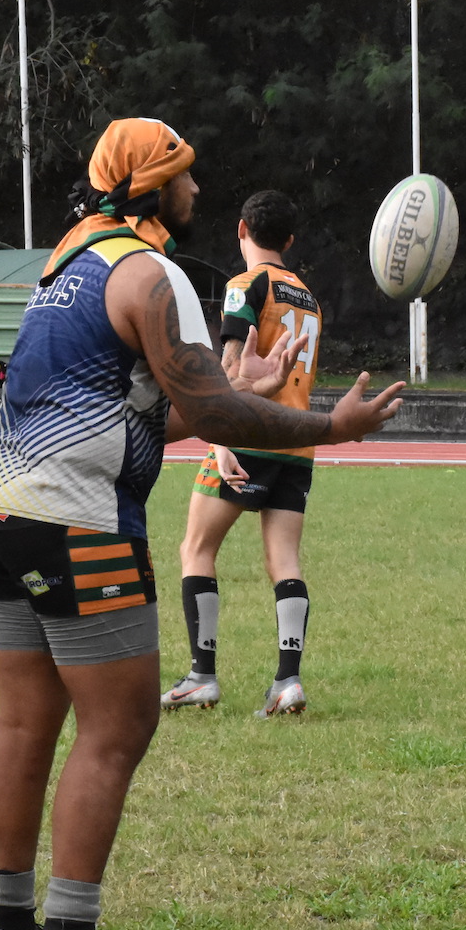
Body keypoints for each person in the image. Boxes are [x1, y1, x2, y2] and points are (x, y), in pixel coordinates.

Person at [0, 118, 401, 930]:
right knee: (120, 723)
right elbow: (221, 417)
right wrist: (331, 429)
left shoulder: (62, 268)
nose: (198, 193)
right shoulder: (151, 271)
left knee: (25, 719)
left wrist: (236, 392)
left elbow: (162, 412)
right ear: (153, 188)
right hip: (73, 515)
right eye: (186, 177)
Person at [162, 190, 323, 718]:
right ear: (290, 240)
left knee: (196, 548)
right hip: (296, 441)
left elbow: (229, 372)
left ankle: (201, 677)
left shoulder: (245, 286)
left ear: (241, 230)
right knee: (284, 561)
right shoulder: (310, 298)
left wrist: (220, 439)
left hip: (248, 434)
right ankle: (288, 682)